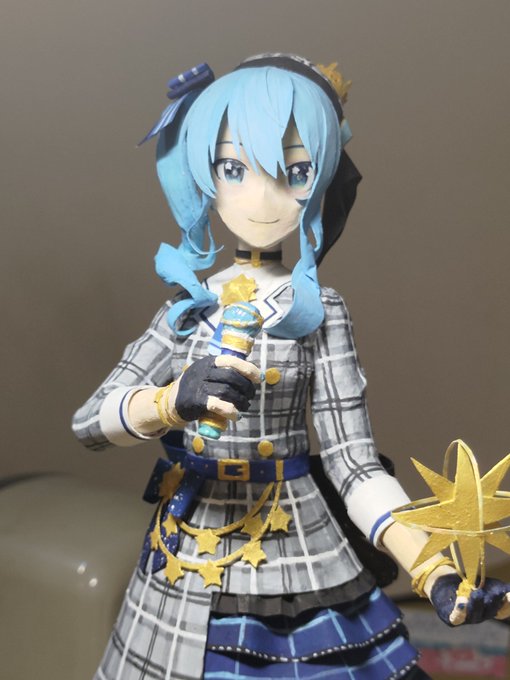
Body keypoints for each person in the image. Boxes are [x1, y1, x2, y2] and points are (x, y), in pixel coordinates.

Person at [72, 54, 509, 680]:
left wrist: (432, 570)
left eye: (295, 172)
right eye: (234, 169)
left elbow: (355, 465)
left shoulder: (322, 311)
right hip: (190, 545)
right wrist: (169, 401)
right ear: (203, 174)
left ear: (321, 180)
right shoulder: (187, 309)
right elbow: (90, 423)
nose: (262, 197)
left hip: (299, 541)